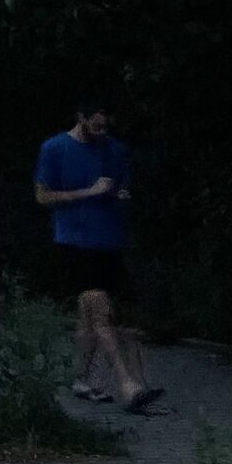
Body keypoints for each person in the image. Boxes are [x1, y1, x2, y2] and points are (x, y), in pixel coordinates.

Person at [34, 99, 163, 414]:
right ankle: (128, 386)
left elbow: (124, 189)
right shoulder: (54, 148)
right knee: (101, 314)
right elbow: (42, 196)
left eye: (106, 126)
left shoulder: (114, 149)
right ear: (81, 118)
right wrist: (87, 192)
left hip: (111, 241)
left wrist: (120, 194)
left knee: (94, 318)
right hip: (75, 241)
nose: (101, 131)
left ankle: (82, 380)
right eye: (96, 125)